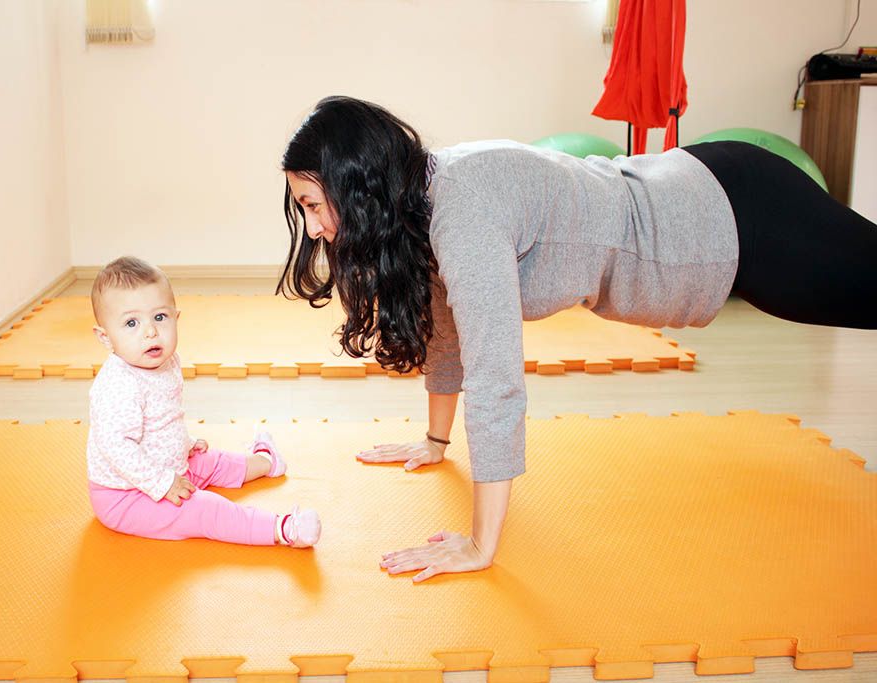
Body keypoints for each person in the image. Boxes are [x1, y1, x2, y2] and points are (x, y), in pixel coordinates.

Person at [277, 95, 877, 581]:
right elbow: (447, 328)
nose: (313, 226)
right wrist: (435, 441)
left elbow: (494, 376)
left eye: (313, 203)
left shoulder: (461, 213)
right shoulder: (423, 195)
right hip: (704, 184)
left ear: (357, 186)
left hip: (733, 219)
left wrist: (481, 546)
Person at [87, 256, 321, 548]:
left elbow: (163, 418)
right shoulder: (118, 384)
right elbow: (116, 448)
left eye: (160, 317)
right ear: (106, 337)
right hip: (126, 496)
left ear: (176, 317)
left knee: (212, 461)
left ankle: (266, 461)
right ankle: (282, 529)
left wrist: (184, 443)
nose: (150, 331)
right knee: (203, 509)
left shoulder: (166, 362)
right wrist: (163, 483)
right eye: (131, 323)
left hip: (169, 467)